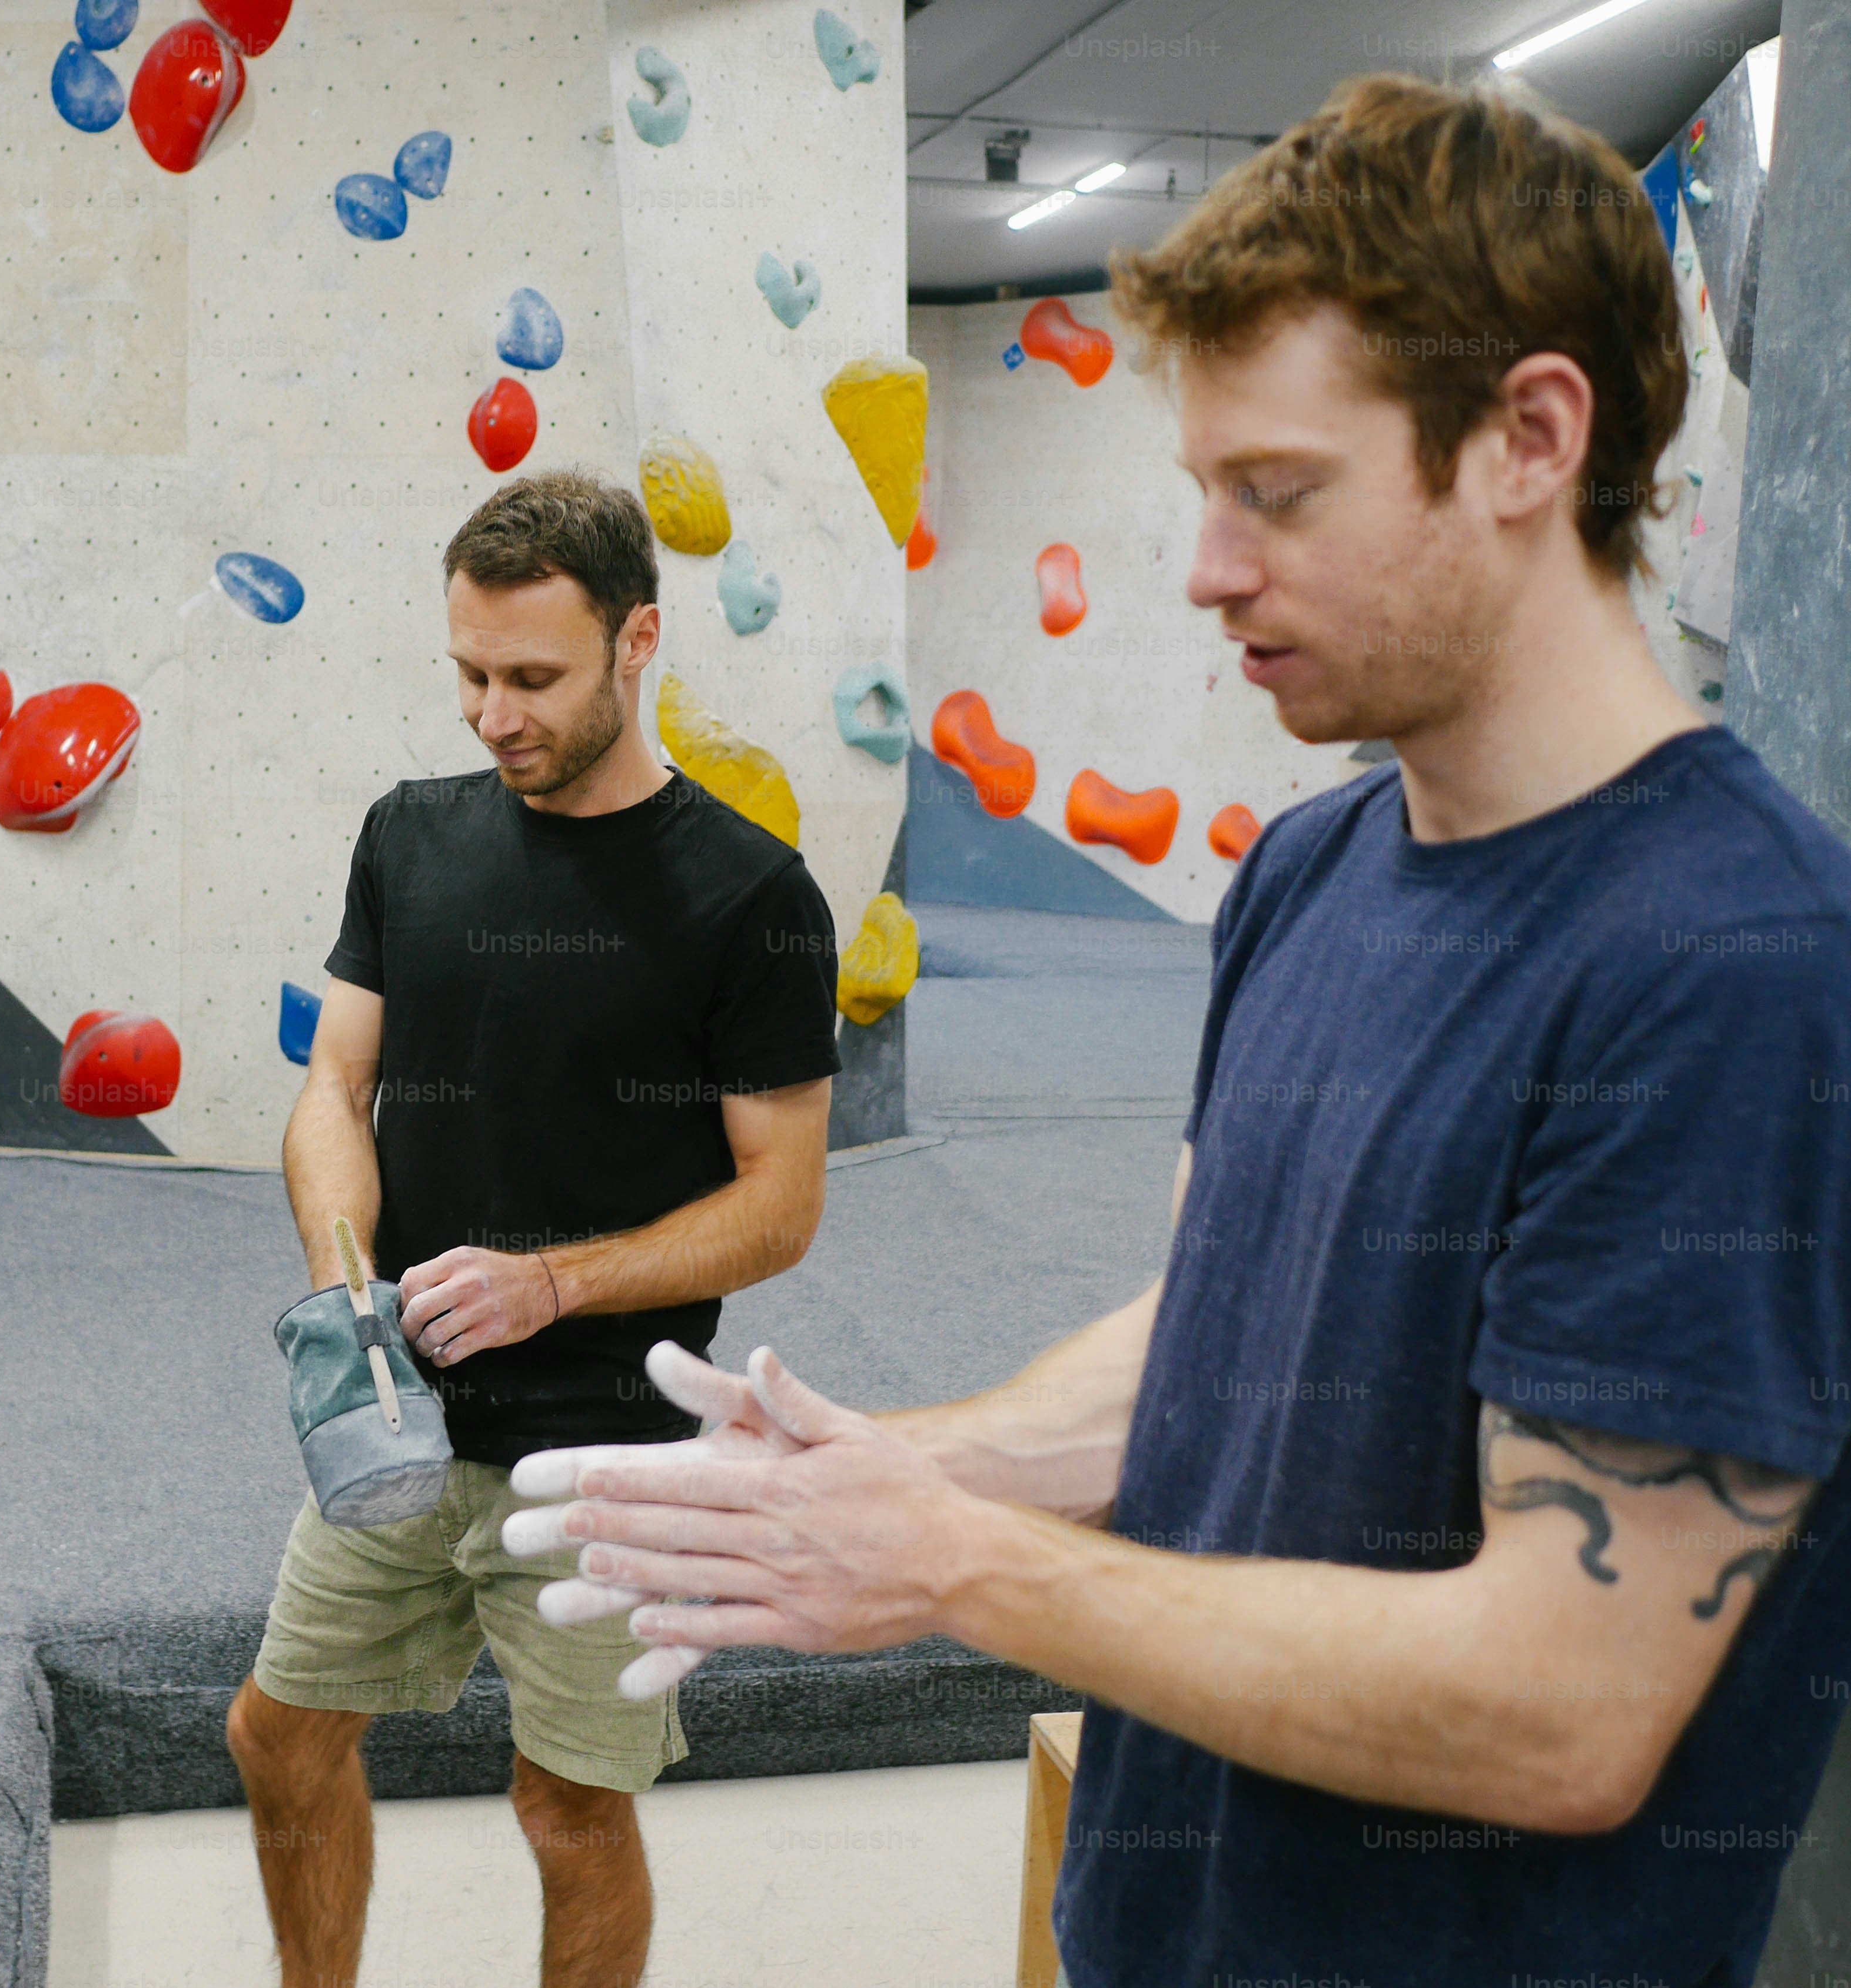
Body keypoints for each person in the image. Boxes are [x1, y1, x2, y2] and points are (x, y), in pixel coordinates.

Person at [501, 74, 1851, 1987]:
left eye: (1278, 493)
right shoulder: (1312, 866)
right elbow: (1223, 1339)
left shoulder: (1730, 965)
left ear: (1529, 440)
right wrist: (879, 1473)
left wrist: (954, 1566)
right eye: (1203, 493)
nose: (1210, 569)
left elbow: (1565, 1703)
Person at [224, 469, 845, 1988]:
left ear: (640, 645)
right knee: (279, 1736)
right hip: (398, 1425)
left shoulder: (753, 898)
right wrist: (345, 1280)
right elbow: (335, 1086)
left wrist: (552, 1286)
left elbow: (782, 1208)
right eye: (469, 674)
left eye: (533, 679)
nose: (491, 715)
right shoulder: (410, 837)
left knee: (569, 1809)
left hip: (606, 1458)